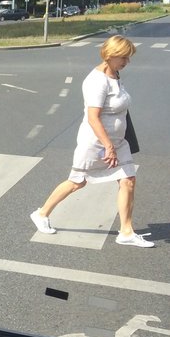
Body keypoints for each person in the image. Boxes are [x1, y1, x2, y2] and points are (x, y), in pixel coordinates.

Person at [30, 35, 153, 247]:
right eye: (123, 57)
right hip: (96, 143)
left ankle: (126, 231)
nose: (127, 62)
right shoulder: (96, 81)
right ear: (110, 55)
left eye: (128, 57)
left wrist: (117, 141)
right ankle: (42, 213)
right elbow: (93, 118)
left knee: (128, 180)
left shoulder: (114, 74)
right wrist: (108, 146)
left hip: (118, 141)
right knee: (78, 181)